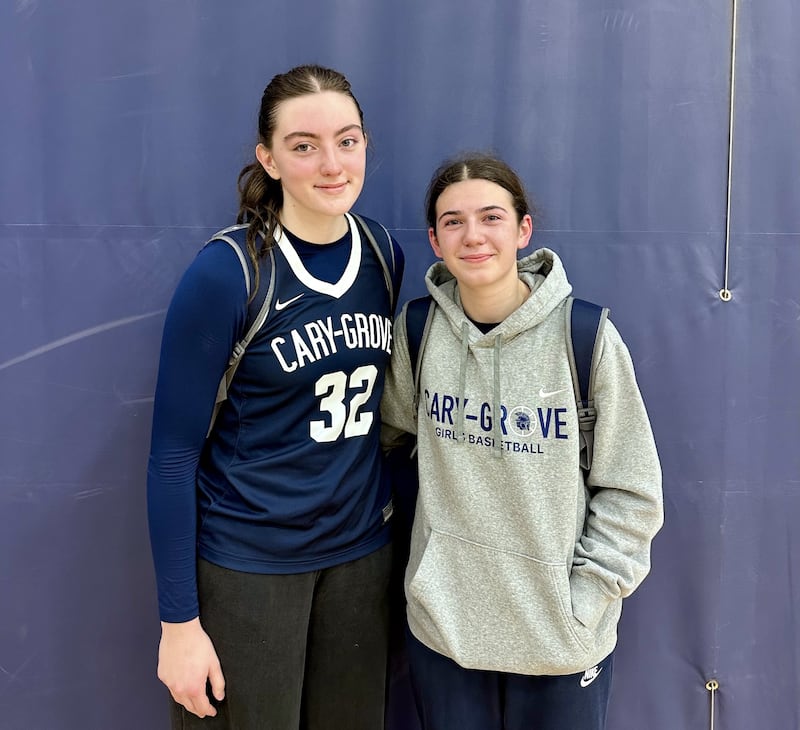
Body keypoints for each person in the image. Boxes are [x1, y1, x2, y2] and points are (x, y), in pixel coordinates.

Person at [147, 64, 404, 730]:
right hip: (250, 568)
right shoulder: (227, 273)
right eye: (303, 145)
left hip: (358, 561)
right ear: (269, 157)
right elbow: (172, 456)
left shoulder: (381, 253)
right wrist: (178, 623)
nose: (331, 163)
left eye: (348, 141)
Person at [381, 153, 663, 730]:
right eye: (453, 222)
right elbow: (385, 443)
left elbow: (632, 491)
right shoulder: (419, 332)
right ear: (434, 240)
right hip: (446, 631)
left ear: (522, 229)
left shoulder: (585, 339)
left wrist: (583, 603)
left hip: (559, 639)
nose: (474, 235)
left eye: (491, 217)